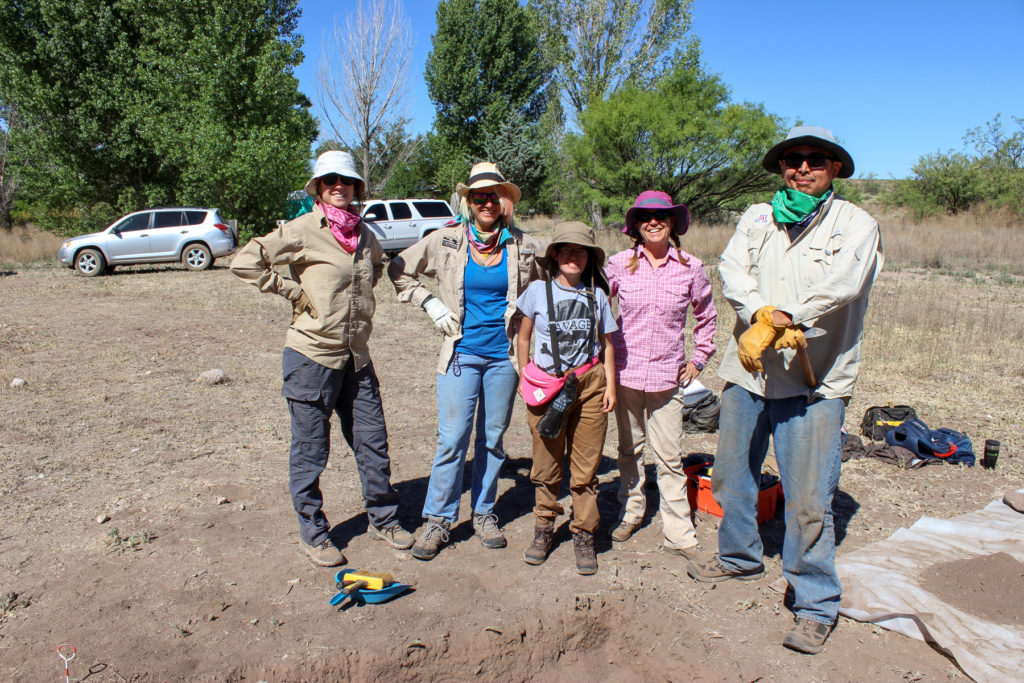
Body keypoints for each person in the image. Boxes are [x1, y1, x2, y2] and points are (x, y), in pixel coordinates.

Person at [686, 126, 883, 654]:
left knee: (809, 499)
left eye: (815, 159)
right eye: (792, 159)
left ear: (835, 167)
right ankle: (739, 557)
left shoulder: (857, 225)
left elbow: (844, 284)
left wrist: (789, 316)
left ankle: (815, 602)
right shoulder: (756, 216)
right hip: (749, 370)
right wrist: (757, 313)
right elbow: (731, 269)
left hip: (815, 380)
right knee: (730, 477)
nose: (802, 167)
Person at [230, 150, 413, 568]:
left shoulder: (366, 235)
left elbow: (377, 270)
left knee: (372, 443)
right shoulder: (302, 230)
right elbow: (245, 261)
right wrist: (294, 293)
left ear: (356, 189)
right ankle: (313, 533)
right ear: (318, 187)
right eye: (329, 180)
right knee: (311, 450)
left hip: (357, 359)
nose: (338, 187)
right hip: (311, 357)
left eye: (346, 182)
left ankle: (385, 520)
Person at [388, 162, 547, 561]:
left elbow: (565, 271)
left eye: (494, 195)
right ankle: (438, 520)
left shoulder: (523, 245)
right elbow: (398, 268)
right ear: (469, 201)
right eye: (479, 196)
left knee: (492, 440)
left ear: (504, 200)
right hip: (460, 354)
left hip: (504, 359)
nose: (487, 201)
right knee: (453, 439)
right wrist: (428, 302)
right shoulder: (445, 240)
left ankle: (484, 512)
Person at [605, 191, 717, 557]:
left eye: (661, 216)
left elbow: (707, 316)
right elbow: (597, 306)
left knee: (669, 457)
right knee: (628, 450)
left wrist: (699, 359)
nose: (653, 222)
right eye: (645, 216)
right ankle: (631, 512)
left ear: (672, 223)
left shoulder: (691, 267)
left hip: (669, 377)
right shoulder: (619, 263)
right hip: (624, 373)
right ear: (636, 225)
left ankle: (679, 532)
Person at [516, 222, 617, 575]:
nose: (573, 256)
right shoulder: (536, 291)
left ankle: (584, 533)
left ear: (589, 259)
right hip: (547, 384)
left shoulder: (598, 296)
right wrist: (524, 373)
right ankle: (543, 528)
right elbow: (523, 336)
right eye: (567, 250)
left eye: (581, 251)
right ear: (555, 255)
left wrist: (611, 387)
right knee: (546, 464)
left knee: (586, 467)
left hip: (590, 385)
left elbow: (607, 345)